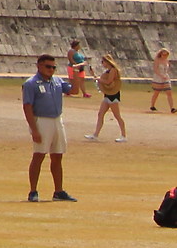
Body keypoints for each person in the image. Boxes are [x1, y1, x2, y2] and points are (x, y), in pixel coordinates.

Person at [24, 53, 77, 201]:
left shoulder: (57, 81)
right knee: (39, 155)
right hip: (41, 120)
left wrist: (75, 72)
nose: (51, 70)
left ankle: (58, 191)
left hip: (56, 119)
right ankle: (33, 190)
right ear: (39, 66)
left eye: (53, 67)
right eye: (48, 67)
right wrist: (34, 129)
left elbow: (74, 90)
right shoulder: (31, 84)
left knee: (57, 155)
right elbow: (27, 106)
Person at [85, 54, 126, 142]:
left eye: (103, 62)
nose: (102, 64)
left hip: (113, 95)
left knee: (117, 115)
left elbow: (108, 81)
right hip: (108, 94)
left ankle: (123, 135)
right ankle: (95, 134)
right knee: (100, 114)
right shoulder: (108, 71)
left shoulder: (113, 70)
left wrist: (98, 79)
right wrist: (95, 76)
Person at [148, 44, 177, 113]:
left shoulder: (166, 60)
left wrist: (165, 75)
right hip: (158, 77)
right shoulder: (157, 60)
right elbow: (155, 69)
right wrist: (161, 75)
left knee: (169, 92)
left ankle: (172, 108)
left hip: (165, 77)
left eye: (166, 55)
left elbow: (167, 69)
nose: (165, 56)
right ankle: (152, 105)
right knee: (156, 92)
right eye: (163, 55)